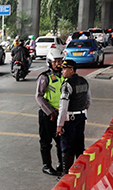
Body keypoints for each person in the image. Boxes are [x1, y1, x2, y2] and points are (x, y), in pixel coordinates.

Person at [55, 60, 91, 172]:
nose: (62, 71)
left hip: (69, 120)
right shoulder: (84, 82)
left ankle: (67, 174)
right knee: (79, 144)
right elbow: (88, 101)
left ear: (71, 70)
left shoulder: (67, 85)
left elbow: (63, 107)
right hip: (81, 117)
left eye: (64, 69)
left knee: (67, 147)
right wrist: (82, 111)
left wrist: (59, 125)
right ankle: (80, 171)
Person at [36, 46, 65, 175]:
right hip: (47, 115)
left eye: (60, 61)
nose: (58, 64)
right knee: (46, 142)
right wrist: (50, 111)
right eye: (56, 61)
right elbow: (39, 96)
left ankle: (61, 164)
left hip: (62, 114)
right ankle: (46, 166)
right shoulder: (44, 77)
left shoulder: (65, 75)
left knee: (61, 141)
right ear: (50, 62)